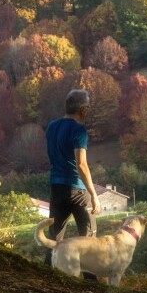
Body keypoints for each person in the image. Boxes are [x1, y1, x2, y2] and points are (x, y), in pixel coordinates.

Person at [44, 89, 100, 263]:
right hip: (77, 190)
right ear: (83, 110)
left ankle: (45, 277)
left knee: (54, 239)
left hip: (56, 188)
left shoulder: (51, 127)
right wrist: (93, 193)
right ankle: (91, 286)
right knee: (89, 239)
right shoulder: (79, 131)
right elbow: (81, 165)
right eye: (88, 107)